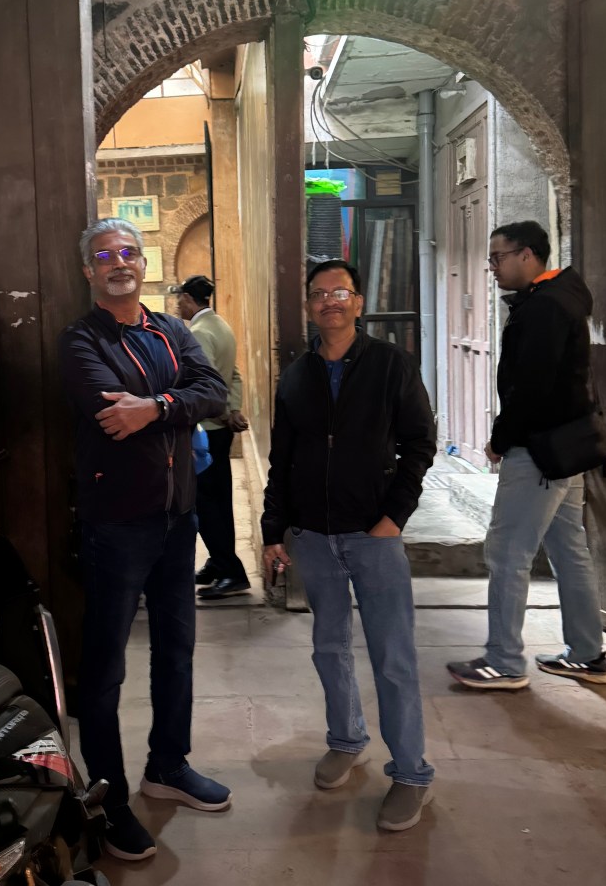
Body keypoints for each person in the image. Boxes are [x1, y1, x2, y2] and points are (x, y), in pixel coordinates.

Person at [58, 218, 231, 862]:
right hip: (116, 524)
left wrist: (154, 408)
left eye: (128, 252)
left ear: (143, 263)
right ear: (89, 270)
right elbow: (110, 411)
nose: (119, 262)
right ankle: (110, 799)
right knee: (105, 669)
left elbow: (213, 392)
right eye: (105, 255)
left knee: (176, 650)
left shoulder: (172, 330)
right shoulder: (80, 339)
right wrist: (172, 401)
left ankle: (169, 765)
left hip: (177, 517)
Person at [261, 259, 437, 832]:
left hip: (373, 534)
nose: (329, 301)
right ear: (309, 306)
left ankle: (411, 772)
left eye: (340, 292)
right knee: (328, 647)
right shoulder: (296, 376)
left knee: (392, 656)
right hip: (313, 535)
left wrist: (394, 517)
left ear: (358, 303)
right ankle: (346, 738)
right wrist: (273, 530)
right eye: (319, 293)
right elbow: (282, 458)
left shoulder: (390, 365)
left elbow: (419, 443)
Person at [447, 221, 606, 690]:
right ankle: (588, 655)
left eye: (497, 257)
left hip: (539, 450)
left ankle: (503, 661)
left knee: (507, 552)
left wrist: (501, 439)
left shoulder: (545, 307)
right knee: (569, 550)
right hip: (564, 447)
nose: (492, 267)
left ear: (527, 255)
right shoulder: (560, 298)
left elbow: (531, 388)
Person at [173, 274, 251, 599]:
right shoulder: (221, 326)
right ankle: (219, 564)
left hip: (206, 431)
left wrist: (221, 413)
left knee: (205, 504)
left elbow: (205, 384)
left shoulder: (200, 333)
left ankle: (231, 571)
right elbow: (234, 375)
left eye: (180, 298)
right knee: (219, 500)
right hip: (220, 429)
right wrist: (233, 410)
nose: (178, 304)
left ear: (189, 299)